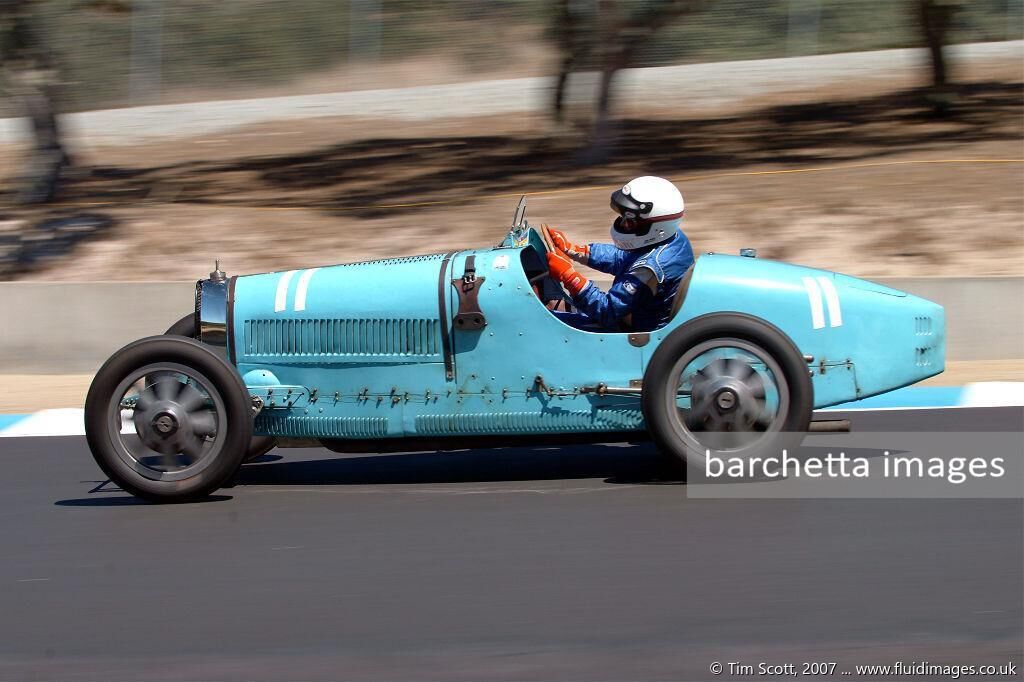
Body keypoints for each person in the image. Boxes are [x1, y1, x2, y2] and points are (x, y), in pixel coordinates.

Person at [544, 176, 694, 332]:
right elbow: (621, 258)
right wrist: (575, 250)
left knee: (543, 324)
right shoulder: (671, 240)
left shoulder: (649, 269)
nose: (622, 224)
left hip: (630, 331)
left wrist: (570, 277)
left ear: (656, 228)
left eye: (629, 220)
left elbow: (607, 310)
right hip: (634, 314)